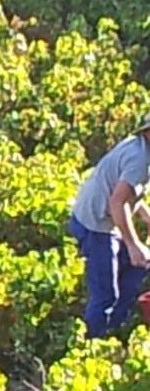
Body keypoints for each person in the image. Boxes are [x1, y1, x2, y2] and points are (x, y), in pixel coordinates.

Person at [68, 115, 150, 338]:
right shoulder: (140, 161)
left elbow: (131, 193)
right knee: (106, 295)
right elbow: (117, 201)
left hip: (95, 218)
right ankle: (92, 342)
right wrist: (133, 245)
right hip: (96, 226)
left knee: (139, 265)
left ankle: (113, 327)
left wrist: (147, 218)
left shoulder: (137, 147)